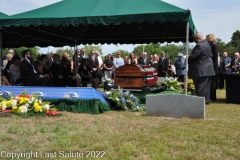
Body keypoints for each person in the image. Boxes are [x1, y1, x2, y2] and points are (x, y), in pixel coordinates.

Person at [188, 32, 215, 105]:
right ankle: (206, 100)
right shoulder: (207, 44)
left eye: (194, 40)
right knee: (206, 87)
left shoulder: (200, 45)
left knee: (200, 86)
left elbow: (193, 57)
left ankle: (200, 102)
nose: (194, 41)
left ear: (197, 38)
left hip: (201, 70)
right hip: (207, 69)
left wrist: (188, 58)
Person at [206, 34, 219, 101]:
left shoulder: (214, 45)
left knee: (213, 83)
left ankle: (213, 97)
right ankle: (210, 96)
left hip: (213, 67)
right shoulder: (210, 45)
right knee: (210, 82)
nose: (206, 39)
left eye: (207, 37)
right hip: (210, 66)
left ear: (210, 38)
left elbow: (215, 56)